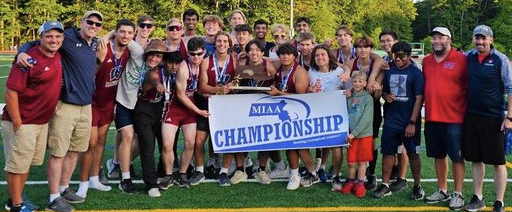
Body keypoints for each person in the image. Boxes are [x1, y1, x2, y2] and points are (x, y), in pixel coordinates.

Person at [17, 10, 102, 211]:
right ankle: (54, 197)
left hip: (86, 105)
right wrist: (21, 51)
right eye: (90, 22)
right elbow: (34, 44)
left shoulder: (94, 42)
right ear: (82, 22)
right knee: (59, 153)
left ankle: (64, 189)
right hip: (66, 105)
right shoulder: (68, 37)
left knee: (74, 151)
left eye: (98, 24)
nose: (93, 26)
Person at [2, 20, 64, 212]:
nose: (54, 40)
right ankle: (17, 205)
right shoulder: (28, 59)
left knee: (26, 163)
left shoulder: (58, 55)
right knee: (17, 165)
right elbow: (10, 92)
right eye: (49, 36)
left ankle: (15, 199)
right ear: (41, 38)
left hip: (41, 121)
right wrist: (18, 122)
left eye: (57, 36)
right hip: (24, 121)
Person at [76, 19, 136, 199]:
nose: (125, 36)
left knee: (101, 141)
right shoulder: (102, 47)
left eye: (129, 33)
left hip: (109, 103)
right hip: (92, 102)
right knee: (89, 144)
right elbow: (89, 72)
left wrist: (111, 33)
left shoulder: (128, 52)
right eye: (122, 32)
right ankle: (83, 183)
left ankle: (94, 178)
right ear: (116, 32)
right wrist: (100, 60)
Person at [463, 25, 509, 212]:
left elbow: (511, 88)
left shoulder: (501, 59)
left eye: (484, 38)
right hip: (472, 115)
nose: (480, 42)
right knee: (476, 159)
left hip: (494, 117)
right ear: (473, 39)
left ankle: (499, 201)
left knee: (498, 161)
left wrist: (510, 117)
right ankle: (478, 197)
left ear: (491, 39)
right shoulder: (468, 57)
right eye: (477, 38)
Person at [422, 27, 467, 210]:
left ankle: (458, 193)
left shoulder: (461, 59)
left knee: (456, 157)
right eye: (434, 38)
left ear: (449, 39)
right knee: (438, 155)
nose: (436, 41)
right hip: (432, 117)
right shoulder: (426, 61)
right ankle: (442, 189)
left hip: (455, 117)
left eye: (440, 37)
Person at [373, 41, 424, 201]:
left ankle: (417, 186)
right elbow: (383, 91)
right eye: (395, 56)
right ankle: (386, 184)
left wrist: (412, 122)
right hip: (391, 120)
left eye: (401, 56)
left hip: (408, 120)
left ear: (409, 55)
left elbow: (419, 99)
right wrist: (385, 95)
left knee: (412, 153)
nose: (398, 59)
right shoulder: (389, 70)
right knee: (387, 152)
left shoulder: (416, 73)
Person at [267, 43, 317, 190]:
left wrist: (279, 93)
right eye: (282, 54)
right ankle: (294, 175)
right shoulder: (280, 69)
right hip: (284, 113)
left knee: (300, 147)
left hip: (299, 112)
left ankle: (313, 173)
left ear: (294, 56)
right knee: (289, 146)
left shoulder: (299, 72)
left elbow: (301, 98)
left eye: (288, 54)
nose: (285, 56)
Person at [306, 44, 351, 191]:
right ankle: (320, 169)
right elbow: (308, 90)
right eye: (317, 55)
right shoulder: (311, 71)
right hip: (318, 114)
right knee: (322, 143)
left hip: (336, 115)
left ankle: (336, 176)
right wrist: (309, 90)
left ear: (328, 56)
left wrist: (348, 90)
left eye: (322, 54)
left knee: (336, 147)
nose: (320, 57)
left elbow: (349, 90)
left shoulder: (338, 71)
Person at [196, 31, 236, 186]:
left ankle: (224, 172)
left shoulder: (235, 60)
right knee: (198, 141)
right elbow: (202, 85)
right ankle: (199, 170)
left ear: (229, 44)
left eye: (225, 41)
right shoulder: (206, 61)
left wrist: (231, 87)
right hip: (208, 104)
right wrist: (219, 90)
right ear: (215, 43)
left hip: (227, 106)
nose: (222, 44)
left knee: (228, 140)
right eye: (219, 41)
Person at [372, 29, 410, 190]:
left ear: (396, 41)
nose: (385, 43)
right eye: (382, 41)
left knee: (403, 146)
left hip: (405, 109)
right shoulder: (385, 61)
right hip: (390, 110)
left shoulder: (406, 61)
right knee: (391, 144)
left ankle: (402, 177)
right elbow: (383, 87)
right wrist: (385, 95)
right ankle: (395, 171)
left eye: (388, 40)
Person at [236, 39, 277, 184]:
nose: (254, 53)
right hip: (243, 106)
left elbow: (274, 84)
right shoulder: (242, 65)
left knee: (264, 137)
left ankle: (261, 169)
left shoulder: (269, 66)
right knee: (240, 136)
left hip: (263, 107)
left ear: (261, 52)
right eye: (251, 50)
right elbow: (236, 83)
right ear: (247, 52)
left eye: (257, 50)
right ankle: (240, 170)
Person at [133, 39, 169, 197]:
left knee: (166, 144)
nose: (154, 59)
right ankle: (150, 184)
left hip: (160, 108)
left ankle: (162, 175)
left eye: (158, 56)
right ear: (146, 55)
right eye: (152, 55)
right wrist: (157, 85)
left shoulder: (165, 68)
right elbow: (152, 78)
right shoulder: (139, 66)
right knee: (147, 146)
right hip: (142, 108)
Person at [341, 71, 373, 198]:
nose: (357, 84)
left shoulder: (368, 99)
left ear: (365, 83)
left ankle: (360, 183)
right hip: (350, 136)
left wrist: (353, 133)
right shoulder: (349, 96)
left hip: (364, 135)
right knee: (351, 162)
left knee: (362, 161)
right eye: (354, 81)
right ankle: (351, 181)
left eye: (360, 81)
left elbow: (366, 119)